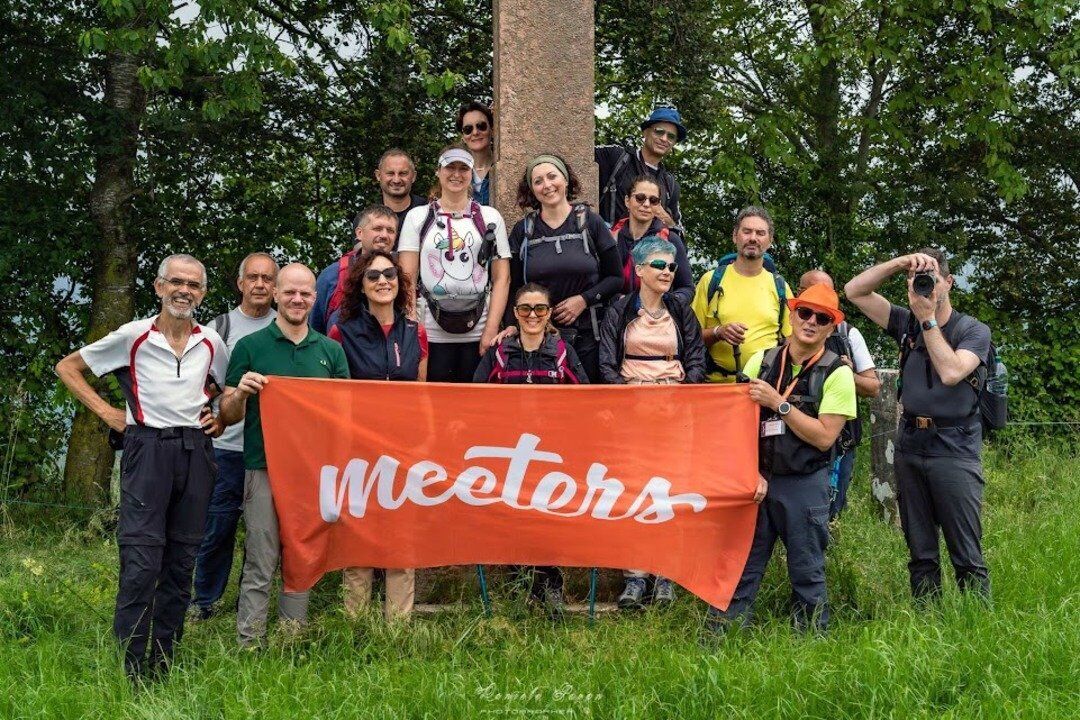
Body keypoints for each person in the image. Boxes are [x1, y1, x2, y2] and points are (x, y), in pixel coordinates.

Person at [55, 254, 227, 680]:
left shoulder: (212, 342)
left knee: (182, 559)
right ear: (159, 287)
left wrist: (220, 417)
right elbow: (68, 367)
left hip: (196, 451)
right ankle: (129, 668)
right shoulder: (132, 335)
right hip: (147, 449)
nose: (183, 290)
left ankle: (164, 664)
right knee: (142, 561)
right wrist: (109, 413)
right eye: (176, 282)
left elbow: (225, 394)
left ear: (202, 293)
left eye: (193, 285)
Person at [844, 248, 992, 600]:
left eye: (930, 279)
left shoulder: (973, 330)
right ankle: (928, 625)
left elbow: (952, 371)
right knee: (920, 550)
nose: (923, 286)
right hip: (910, 443)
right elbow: (854, 291)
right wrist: (900, 263)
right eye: (916, 279)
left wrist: (927, 319)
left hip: (954, 447)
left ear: (949, 283)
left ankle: (975, 625)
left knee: (966, 552)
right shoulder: (904, 321)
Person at [708, 284, 856, 633]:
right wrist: (750, 473)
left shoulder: (838, 373)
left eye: (822, 318)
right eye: (804, 313)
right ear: (792, 314)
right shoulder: (763, 359)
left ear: (831, 327)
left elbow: (823, 437)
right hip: (758, 480)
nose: (810, 322)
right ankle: (720, 641)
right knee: (743, 565)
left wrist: (780, 404)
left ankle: (812, 645)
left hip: (806, 483)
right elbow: (737, 425)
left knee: (807, 570)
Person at [217, 263, 350, 648]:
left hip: (312, 472)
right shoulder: (249, 347)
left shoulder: (331, 351)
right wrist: (240, 393)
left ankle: (292, 638)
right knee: (261, 554)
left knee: (303, 556)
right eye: (289, 292)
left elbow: (343, 420)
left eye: (305, 293)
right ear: (275, 294)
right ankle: (249, 642)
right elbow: (226, 416)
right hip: (263, 468)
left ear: (315, 298)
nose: (297, 299)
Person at [598, 237, 706, 609]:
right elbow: (607, 363)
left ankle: (665, 575)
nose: (667, 272)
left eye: (672, 267)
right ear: (640, 270)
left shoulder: (681, 310)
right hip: (632, 414)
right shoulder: (620, 309)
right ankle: (634, 576)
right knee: (634, 491)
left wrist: (681, 393)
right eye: (659, 265)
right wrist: (629, 397)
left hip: (674, 413)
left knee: (671, 492)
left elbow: (696, 359)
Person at [473, 282, 588, 618]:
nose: (533, 315)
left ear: (549, 313)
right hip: (507, 454)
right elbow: (473, 398)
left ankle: (549, 589)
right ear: (515, 313)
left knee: (546, 521)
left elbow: (586, 398)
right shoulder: (499, 351)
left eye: (540, 309)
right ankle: (517, 587)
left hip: (551, 455)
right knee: (510, 519)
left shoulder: (563, 350)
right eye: (525, 309)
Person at [326, 250, 424, 620]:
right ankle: (355, 624)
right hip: (358, 449)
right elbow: (332, 392)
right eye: (373, 276)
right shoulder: (341, 330)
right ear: (361, 286)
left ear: (400, 283)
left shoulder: (417, 331)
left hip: (403, 449)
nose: (383, 281)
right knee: (360, 537)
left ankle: (397, 629)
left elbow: (423, 393)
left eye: (390, 274)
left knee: (401, 539)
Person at [189, 253, 279, 621]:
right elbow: (199, 383)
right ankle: (205, 600)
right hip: (225, 448)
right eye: (252, 278)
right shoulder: (220, 327)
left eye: (267, 279)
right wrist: (207, 416)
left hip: (271, 451)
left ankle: (252, 601)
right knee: (217, 530)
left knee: (264, 534)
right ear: (240, 284)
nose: (260, 284)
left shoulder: (288, 324)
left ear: (276, 287)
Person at [398, 146, 511, 382]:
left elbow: (502, 278)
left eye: (463, 169)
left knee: (476, 405)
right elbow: (406, 277)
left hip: (479, 327)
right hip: (430, 329)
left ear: (471, 174)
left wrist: (491, 329)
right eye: (450, 167)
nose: (456, 174)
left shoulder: (490, 217)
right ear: (438, 172)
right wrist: (413, 330)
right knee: (435, 403)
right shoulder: (418, 217)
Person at [507, 153, 622, 383]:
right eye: (538, 181)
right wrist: (512, 326)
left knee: (587, 405)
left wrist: (583, 299)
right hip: (538, 337)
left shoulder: (590, 221)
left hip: (589, 335)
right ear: (531, 189)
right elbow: (515, 286)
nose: (547, 185)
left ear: (566, 180)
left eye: (552, 176)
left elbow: (616, 278)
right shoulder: (524, 231)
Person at [798, 270, 881, 519]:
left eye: (829, 293)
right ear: (798, 294)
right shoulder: (784, 330)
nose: (813, 319)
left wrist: (845, 374)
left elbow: (873, 387)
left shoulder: (848, 335)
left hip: (840, 442)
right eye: (813, 292)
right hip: (795, 440)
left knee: (830, 510)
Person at [691, 206, 792, 382]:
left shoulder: (780, 286)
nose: (753, 238)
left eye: (760, 233)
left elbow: (792, 342)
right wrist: (718, 332)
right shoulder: (711, 280)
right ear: (735, 236)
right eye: (747, 231)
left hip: (763, 389)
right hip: (715, 388)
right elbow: (690, 338)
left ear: (770, 241)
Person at [310, 204, 399, 334]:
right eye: (377, 228)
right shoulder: (332, 275)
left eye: (390, 230)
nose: (384, 235)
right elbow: (315, 330)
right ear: (359, 233)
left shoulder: (400, 276)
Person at [596, 104, 685, 227]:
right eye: (659, 132)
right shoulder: (616, 157)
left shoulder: (670, 185)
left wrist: (664, 217)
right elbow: (577, 152)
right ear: (645, 132)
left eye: (671, 136)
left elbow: (678, 232)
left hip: (647, 245)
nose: (664, 139)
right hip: (608, 243)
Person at [609, 175, 693, 305]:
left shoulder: (671, 239)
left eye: (653, 200)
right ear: (627, 201)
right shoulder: (611, 238)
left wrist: (666, 303)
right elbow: (601, 283)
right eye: (640, 198)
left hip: (658, 318)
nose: (646, 204)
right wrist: (620, 301)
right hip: (616, 315)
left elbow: (687, 288)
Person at [375, 148, 427, 232]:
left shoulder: (430, 213)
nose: (396, 180)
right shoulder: (367, 218)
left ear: (413, 176)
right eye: (390, 173)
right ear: (378, 175)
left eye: (403, 173)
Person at [457, 101, 494, 205]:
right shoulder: (456, 173)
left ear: (492, 129)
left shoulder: (505, 168)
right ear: (463, 137)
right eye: (468, 129)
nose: (475, 132)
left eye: (481, 126)